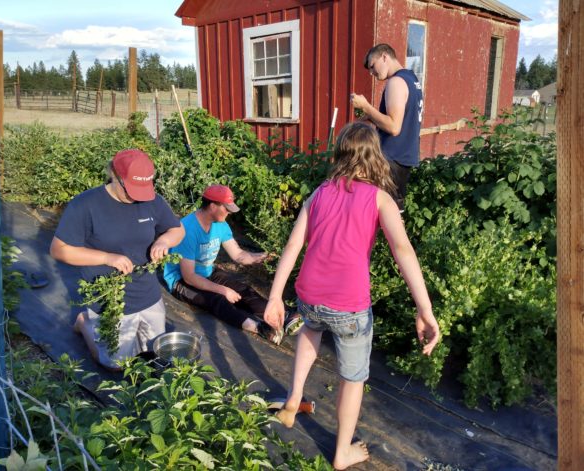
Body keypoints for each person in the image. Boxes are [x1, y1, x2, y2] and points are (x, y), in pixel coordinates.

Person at [263, 122, 439, 470]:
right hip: (349, 306)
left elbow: (294, 245)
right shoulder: (380, 198)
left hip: (309, 296)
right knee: (353, 378)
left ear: (340, 154)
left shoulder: (319, 192)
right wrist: (425, 309)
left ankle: (293, 401)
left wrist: (274, 297)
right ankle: (342, 453)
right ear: (376, 157)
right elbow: (403, 251)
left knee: (311, 333)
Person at [50, 149, 185, 371]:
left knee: (154, 355)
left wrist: (165, 241)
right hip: (109, 297)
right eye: (131, 190)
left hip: (147, 292)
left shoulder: (151, 200)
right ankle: (84, 324)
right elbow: (59, 250)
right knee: (115, 365)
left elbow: (177, 229)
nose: (136, 197)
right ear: (114, 175)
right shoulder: (85, 205)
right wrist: (107, 257)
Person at [163, 184, 302, 345]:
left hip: (207, 272)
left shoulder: (220, 225)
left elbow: (239, 255)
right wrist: (223, 290)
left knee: (244, 290)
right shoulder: (188, 229)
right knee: (218, 300)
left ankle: (283, 316)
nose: (229, 213)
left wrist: (264, 256)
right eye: (226, 208)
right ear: (213, 206)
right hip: (180, 281)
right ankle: (260, 328)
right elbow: (189, 277)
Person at [350, 43, 424, 211]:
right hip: (403, 158)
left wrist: (365, 106)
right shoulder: (411, 79)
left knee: (377, 213)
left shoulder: (396, 82)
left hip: (391, 158)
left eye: (372, 66)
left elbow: (393, 127)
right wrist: (371, 117)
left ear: (384, 56)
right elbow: (402, 120)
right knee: (394, 214)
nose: (371, 73)